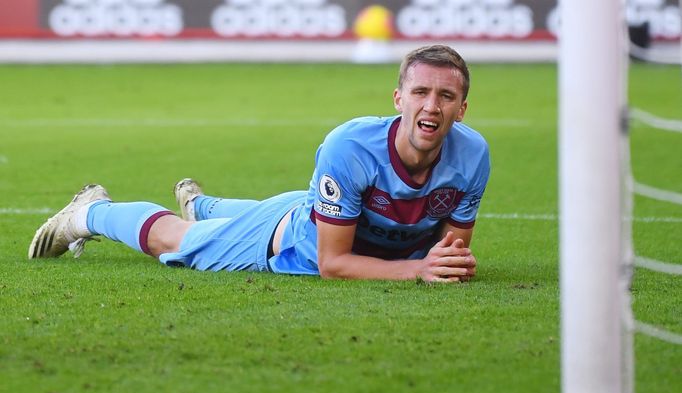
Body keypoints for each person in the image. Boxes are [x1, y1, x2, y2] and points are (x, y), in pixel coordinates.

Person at [28, 44, 490, 283]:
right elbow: (332, 263)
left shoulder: (473, 156)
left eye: (446, 96)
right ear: (398, 99)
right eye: (420, 93)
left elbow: (449, 256)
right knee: (179, 241)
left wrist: (443, 265)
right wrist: (417, 270)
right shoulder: (349, 148)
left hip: (319, 210)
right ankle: (90, 212)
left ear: (462, 109)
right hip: (296, 243)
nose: (432, 106)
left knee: (281, 207)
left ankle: (203, 203)